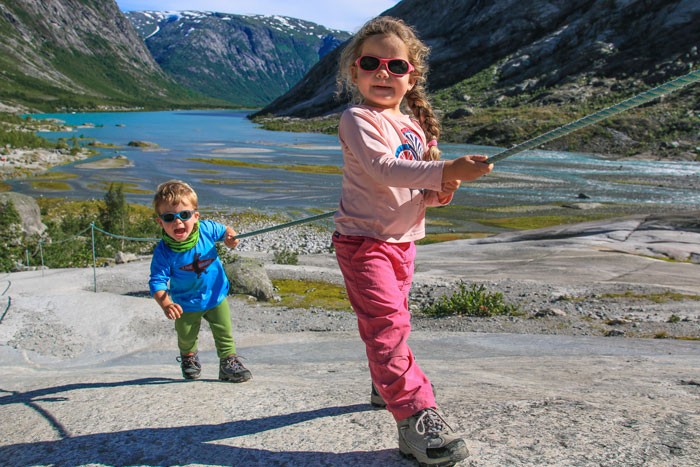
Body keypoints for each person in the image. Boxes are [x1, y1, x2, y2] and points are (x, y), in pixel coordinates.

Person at [332, 16, 493, 466]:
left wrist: (442, 189)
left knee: (393, 323)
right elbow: (384, 169)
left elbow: (418, 195)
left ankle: (384, 383)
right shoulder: (357, 118)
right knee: (388, 327)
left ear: (411, 76)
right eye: (371, 63)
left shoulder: (412, 127)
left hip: (402, 244)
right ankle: (416, 417)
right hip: (363, 243)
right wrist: (446, 171)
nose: (383, 73)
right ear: (355, 73)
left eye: (395, 66)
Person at [148, 179, 252, 383]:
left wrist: (231, 238)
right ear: (160, 222)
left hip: (215, 295)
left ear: (196, 216)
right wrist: (166, 303)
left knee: (224, 332)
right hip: (185, 303)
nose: (178, 222)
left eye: (184, 215)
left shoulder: (206, 229)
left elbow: (226, 232)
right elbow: (157, 281)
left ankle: (228, 362)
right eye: (169, 217)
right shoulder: (163, 252)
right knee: (186, 336)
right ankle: (188, 357)